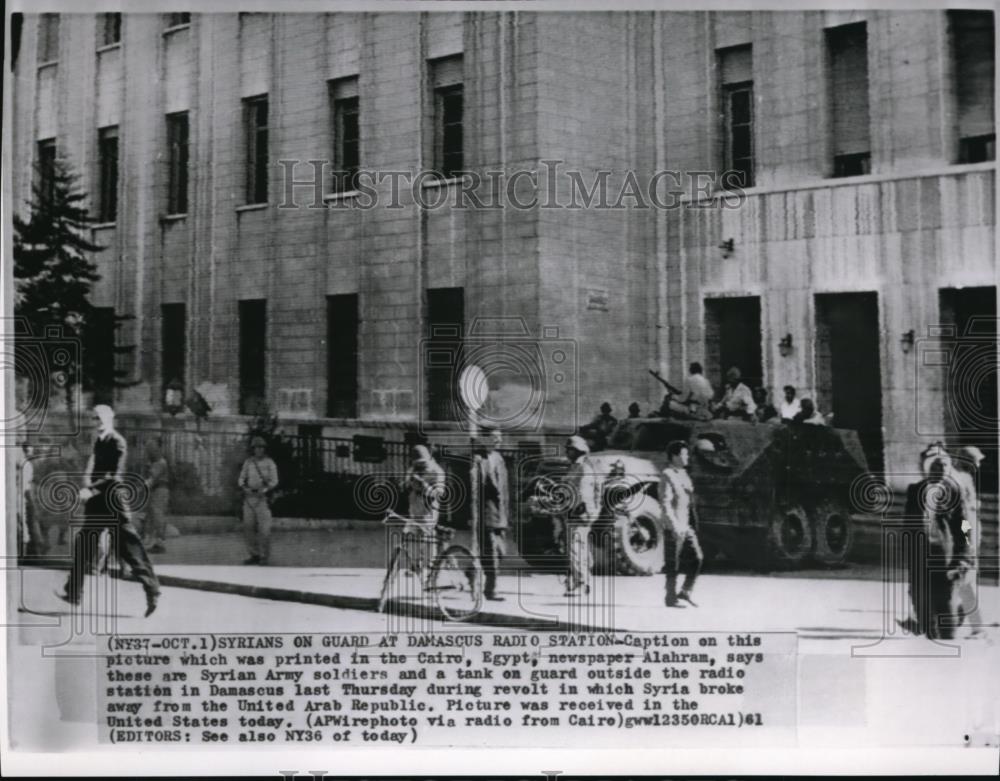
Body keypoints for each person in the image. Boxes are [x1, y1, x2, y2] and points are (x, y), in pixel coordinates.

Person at [56, 405, 160, 617]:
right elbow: (95, 471)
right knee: (84, 544)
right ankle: (73, 592)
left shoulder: (117, 441)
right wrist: (90, 488)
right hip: (97, 503)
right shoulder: (100, 441)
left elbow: (113, 474)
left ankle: (153, 590)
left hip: (112, 500)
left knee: (129, 548)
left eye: (102, 417)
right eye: (95, 418)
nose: (98, 421)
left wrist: (91, 490)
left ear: (111, 418)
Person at [902, 444, 972, 639]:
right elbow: (908, 524)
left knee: (945, 607)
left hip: (946, 558)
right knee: (922, 608)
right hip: (920, 557)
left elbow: (965, 526)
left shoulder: (955, 492)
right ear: (927, 468)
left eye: (945, 466)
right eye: (937, 466)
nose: (942, 470)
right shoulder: (915, 491)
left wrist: (964, 556)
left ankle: (950, 636)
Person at [660, 440, 704, 608]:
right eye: (684, 454)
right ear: (675, 456)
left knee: (697, 558)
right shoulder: (667, 474)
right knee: (673, 563)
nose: (687, 457)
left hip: (686, 525)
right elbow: (665, 503)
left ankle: (685, 591)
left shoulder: (683, 474)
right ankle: (670, 597)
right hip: (674, 526)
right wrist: (674, 525)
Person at [470, 430, 509, 602]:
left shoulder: (499, 458)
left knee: (501, 551)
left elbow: (504, 487)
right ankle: (490, 590)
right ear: (485, 439)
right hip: (485, 512)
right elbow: (474, 488)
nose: (498, 441)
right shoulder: (477, 459)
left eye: (500, 438)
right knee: (491, 552)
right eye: (494, 438)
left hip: (500, 512)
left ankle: (470, 573)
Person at [952, 446, 986, 637]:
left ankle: (977, 626)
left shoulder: (961, 478)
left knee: (964, 580)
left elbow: (965, 514)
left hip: (966, 531)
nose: (979, 465)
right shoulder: (961, 478)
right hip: (966, 530)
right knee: (961, 580)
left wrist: (967, 544)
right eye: (976, 461)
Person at [563, 435, 600, 596]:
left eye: (569, 449)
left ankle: (580, 582)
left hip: (579, 514)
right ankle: (584, 580)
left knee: (575, 549)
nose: (567, 452)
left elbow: (582, 495)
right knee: (582, 548)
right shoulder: (576, 467)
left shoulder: (583, 469)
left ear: (577, 451)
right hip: (577, 513)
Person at [238, 436, 279, 565]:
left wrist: (265, 490)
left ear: (264, 449)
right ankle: (254, 554)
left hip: (262, 499)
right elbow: (241, 478)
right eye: (256, 448)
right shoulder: (248, 462)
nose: (259, 450)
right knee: (248, 527)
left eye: (261, 447)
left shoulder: (269, 463)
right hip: (249, 498)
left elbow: (274, 481)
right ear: (253, 449)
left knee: (264, 529)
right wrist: (244, 487)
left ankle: (264, 556)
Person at [142, 438, 170, 554]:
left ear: (158, 449)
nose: (149, 451)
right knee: (151, 515)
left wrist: (139, 488)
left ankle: (160, 543)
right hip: (155, 491)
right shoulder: (155, 462)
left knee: (157, 515)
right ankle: (150, 541)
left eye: (151, 448)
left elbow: (152, 479)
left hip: (160, 490)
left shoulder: (160, 463)